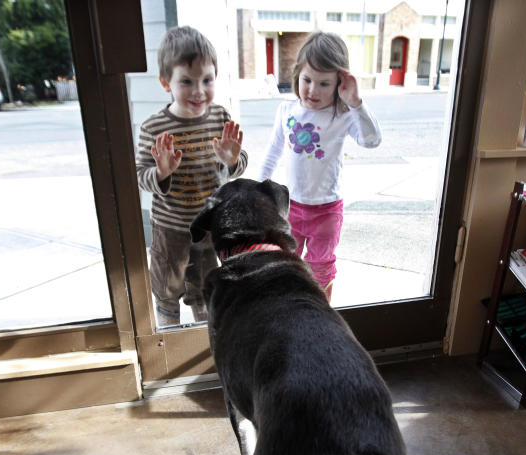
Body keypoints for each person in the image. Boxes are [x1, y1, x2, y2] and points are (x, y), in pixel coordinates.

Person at [135, 26, 247, 327]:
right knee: (167, 288)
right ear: (165, 82)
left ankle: (203, 342)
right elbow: (140, 174)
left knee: (208, 288)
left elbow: (239, 163)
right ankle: (169, 340)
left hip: (210, 226)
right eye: (186, 81)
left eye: (206, 80)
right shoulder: (154, 127)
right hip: (172, 228)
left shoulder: (220, 116)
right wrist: (161, 172)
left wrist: (231, 159)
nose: (199, 91)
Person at [259, 32, 382, 302]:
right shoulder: (287, 110)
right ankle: (290, 310)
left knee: (321, 269)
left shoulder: (344, 114)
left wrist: (357, 103)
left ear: (340, 83)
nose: (313, 90)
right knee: (285, 264)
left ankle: (321, 315)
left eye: (324, 83)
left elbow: (372, 140)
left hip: (326, 212)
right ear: (296, 76)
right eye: (307, 80)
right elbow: (273, 152)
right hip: (289, 207)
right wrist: (259, 188)